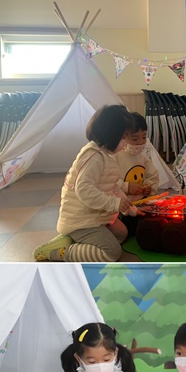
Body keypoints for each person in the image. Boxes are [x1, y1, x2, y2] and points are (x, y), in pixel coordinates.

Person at [32, 105, 145, 262]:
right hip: (81, 221)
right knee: (112, 252)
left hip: (96, 216)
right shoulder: (94, 157)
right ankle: (62, 251)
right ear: (111, 134)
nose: (125, 144)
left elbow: (112, 187)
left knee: (122, 234)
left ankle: (74, 241)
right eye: (123, 138)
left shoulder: (104, 155)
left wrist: (130, 209)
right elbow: (84, 190)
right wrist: (114, 204)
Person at [115, 112, 159, 236]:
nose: (140, 142)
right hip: (124, 208)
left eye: (144, 137)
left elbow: (153, 175)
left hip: (142, 203)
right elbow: (109, 182)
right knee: (130, 230)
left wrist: (149, 187)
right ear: (123, 137)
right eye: (135, 139)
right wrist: (127, 187)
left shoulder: (142, 157)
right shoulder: (115, 156)